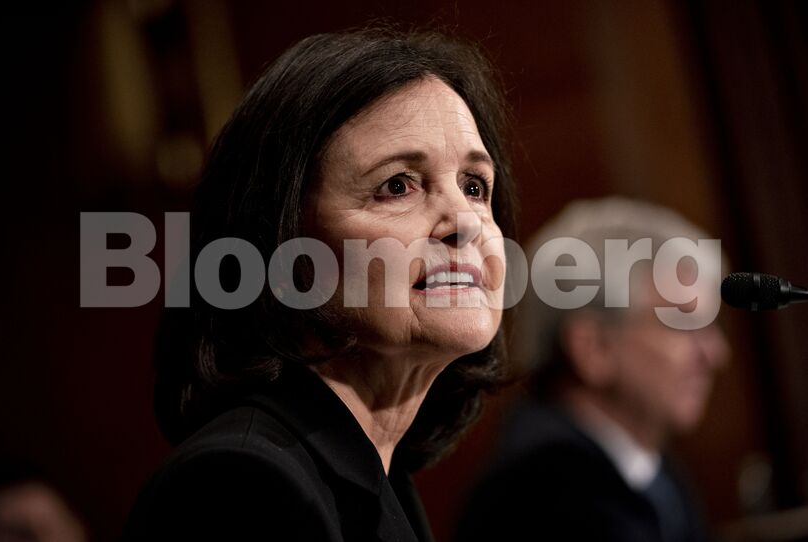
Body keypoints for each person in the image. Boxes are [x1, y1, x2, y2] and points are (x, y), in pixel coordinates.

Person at [123, 26, 517, 542]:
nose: (465, 221)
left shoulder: (379, 478)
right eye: (397, 185)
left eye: (474, 186)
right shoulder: (240, 487)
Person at [454, 197, 729, 542]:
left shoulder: (655, 474)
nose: (716, 354)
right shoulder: (544, 498)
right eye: (686, 322)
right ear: (593, 348)